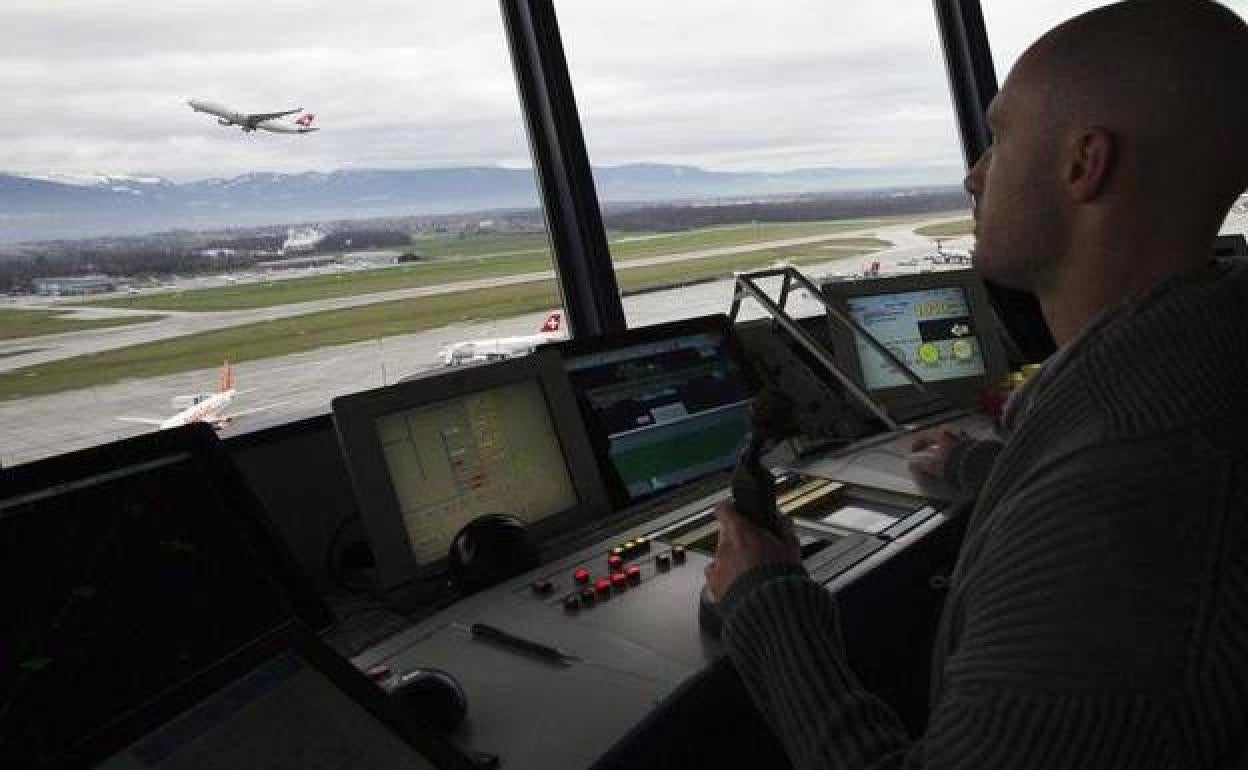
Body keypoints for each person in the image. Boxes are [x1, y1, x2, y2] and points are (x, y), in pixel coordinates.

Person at [594, 1, 1248, 768]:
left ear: (1084, 163)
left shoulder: (1128, 507)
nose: (973, 175)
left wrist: (768, 604)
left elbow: (1121, 520)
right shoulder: (1198, 368)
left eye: (999, 137)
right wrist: (984, 467)